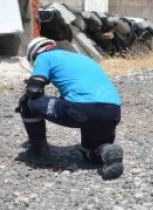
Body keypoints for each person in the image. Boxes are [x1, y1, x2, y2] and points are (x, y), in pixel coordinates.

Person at [17, 37, 124, 180]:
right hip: (112, 111)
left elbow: (34, 89)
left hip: (80, 109)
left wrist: (32, 86)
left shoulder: (43, 57)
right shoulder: (82, 58)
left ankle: (38, 149)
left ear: (33, 55)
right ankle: (105, 150)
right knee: (89, 154)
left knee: (28, 102)